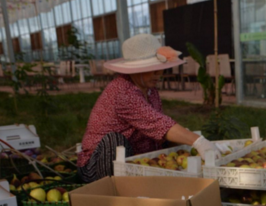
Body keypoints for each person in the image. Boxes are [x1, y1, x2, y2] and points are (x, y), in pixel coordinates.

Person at [78, 34, 221, 182]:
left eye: (159, 69)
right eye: (152, 69)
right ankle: (109, 190)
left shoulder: (150, 90)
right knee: (114, 141)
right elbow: (157, 124)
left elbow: (158, 127)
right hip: (96, 166)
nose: (158, 74)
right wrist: (198, 141)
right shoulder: (123, 91)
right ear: (136, 70)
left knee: (170, 139)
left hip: (133, 158)